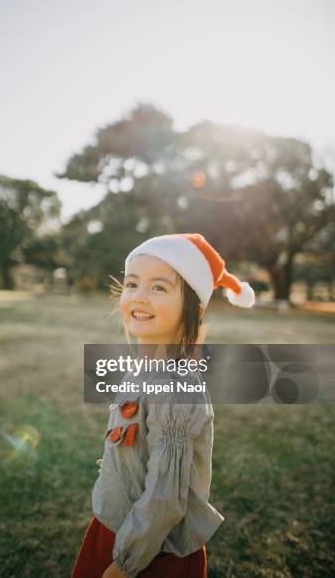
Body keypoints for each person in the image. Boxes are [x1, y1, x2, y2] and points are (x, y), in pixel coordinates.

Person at [71, 233, 255, 578]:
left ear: (193, 309)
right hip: (115, 527)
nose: (139, 297)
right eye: (132, 284)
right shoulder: (143, 367)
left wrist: (124, 566)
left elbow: (165, 499)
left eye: (159, 288)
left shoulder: (175, 389)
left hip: (151, 553)